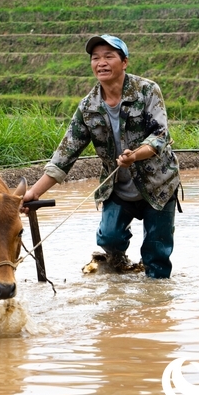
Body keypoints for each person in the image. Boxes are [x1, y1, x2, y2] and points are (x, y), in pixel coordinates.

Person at [22, 34, 181, 278]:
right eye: (95, 58)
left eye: (109, 56)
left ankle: (156, 304)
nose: (101, 62)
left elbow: (160, 135)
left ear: (124, 62)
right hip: (118, 187)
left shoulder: (147, 91)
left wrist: (135, 156)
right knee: (109, 238)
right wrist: (34, 193)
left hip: (158, 185)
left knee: (157, 254)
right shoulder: (88, 106)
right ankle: (119, 268)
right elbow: (65, 154)